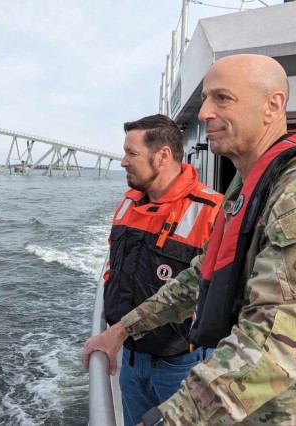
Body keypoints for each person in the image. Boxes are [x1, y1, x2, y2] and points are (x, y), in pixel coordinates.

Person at [83, 55, 296, 424]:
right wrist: (121, 331)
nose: (203, 112)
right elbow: (195, 280)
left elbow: (270, 345)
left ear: (273, 106)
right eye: (205, 98)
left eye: (222, 98)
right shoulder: (244, 191)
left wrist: (165, 420)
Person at [89, 114, 222, 425]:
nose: (122, 162)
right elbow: (114, 270)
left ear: (162, 156)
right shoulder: (127, 204)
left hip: (180, 367)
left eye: (131, 153)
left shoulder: (210, 212)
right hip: (130, 362)